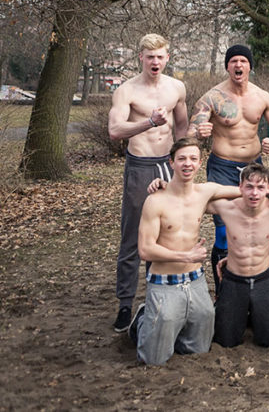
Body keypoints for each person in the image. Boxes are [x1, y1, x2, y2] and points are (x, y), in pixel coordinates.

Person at [132, 138, 248, 365]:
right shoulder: (155, 201)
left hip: (195, 282)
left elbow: (248, 191)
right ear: (171, 162)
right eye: (182, 159)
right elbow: (145, 250)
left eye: (193, 159)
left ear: (200, 163)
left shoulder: (205, 192)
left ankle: (171, 325)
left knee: (199, 349)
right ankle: (143, 320)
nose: (188, 164)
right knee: (153, 359)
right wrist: (185, 256)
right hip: (164, 282)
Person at [107, 33, 187, 332]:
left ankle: (159, 296)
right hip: (140, 166)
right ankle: (125, 304)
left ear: (167, 58)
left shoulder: (176, 87)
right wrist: (149, 123)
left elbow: (180, 125)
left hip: (167, 165)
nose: (155, 62)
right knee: (133, 236)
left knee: (168, 232)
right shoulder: (127, 91)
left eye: (160, 56)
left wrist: (184, 157)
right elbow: (115, 130)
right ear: (140, 57)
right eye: (149, 56)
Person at [189, 44, 269, 292]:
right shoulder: (212, 97)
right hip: (222, 166)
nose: (238, 65)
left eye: (243, 60)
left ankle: (250, 286)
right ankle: (224, 291)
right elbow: (189, 133)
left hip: (254, 167)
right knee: (224, 230)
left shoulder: (262, 96)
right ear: (227, 66)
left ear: (250, 66)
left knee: (254, 225)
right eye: (233, 61)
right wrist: (199, 132)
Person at [203, 163, 269, 349]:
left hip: (263, 281)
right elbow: (192, 198)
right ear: (240, 187)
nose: (254, 193)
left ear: (268, 188)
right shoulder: (227, 208)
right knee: (225, 341)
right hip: (233, 281)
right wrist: (163, 186)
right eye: (249, 187)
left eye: (261, 188)